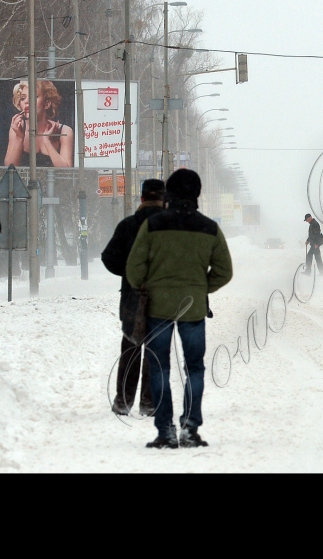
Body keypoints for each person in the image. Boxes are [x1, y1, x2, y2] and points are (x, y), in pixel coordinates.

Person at [126, 169, 233, 449]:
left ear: (169, 194)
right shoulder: (209, 228)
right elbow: (224, 271)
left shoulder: (153, 226)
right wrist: (200, 288)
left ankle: (165, 431)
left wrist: (148, 286)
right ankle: (190, 427)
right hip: (193, 309)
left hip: (158, 308)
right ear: (197, 194)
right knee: (194, 368)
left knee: (159, 367)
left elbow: (134, 268)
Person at [101, 179, 166, 416]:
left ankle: (123, 402)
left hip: (132, 297)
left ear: (141, 199)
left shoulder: (128, 225)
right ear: (164, 199)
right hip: (163, 297)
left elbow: (108, 257)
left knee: (130, 346)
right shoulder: (171, 227)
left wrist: (129, 272)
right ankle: (149, 403)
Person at [4, 79, 74, 167]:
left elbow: (67, 171)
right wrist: (19, 138)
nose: (26, 102)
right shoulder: (17, 128)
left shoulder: (65, 131)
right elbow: (9, 169)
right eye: (23, 98)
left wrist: (47, 142)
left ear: (47, 104)